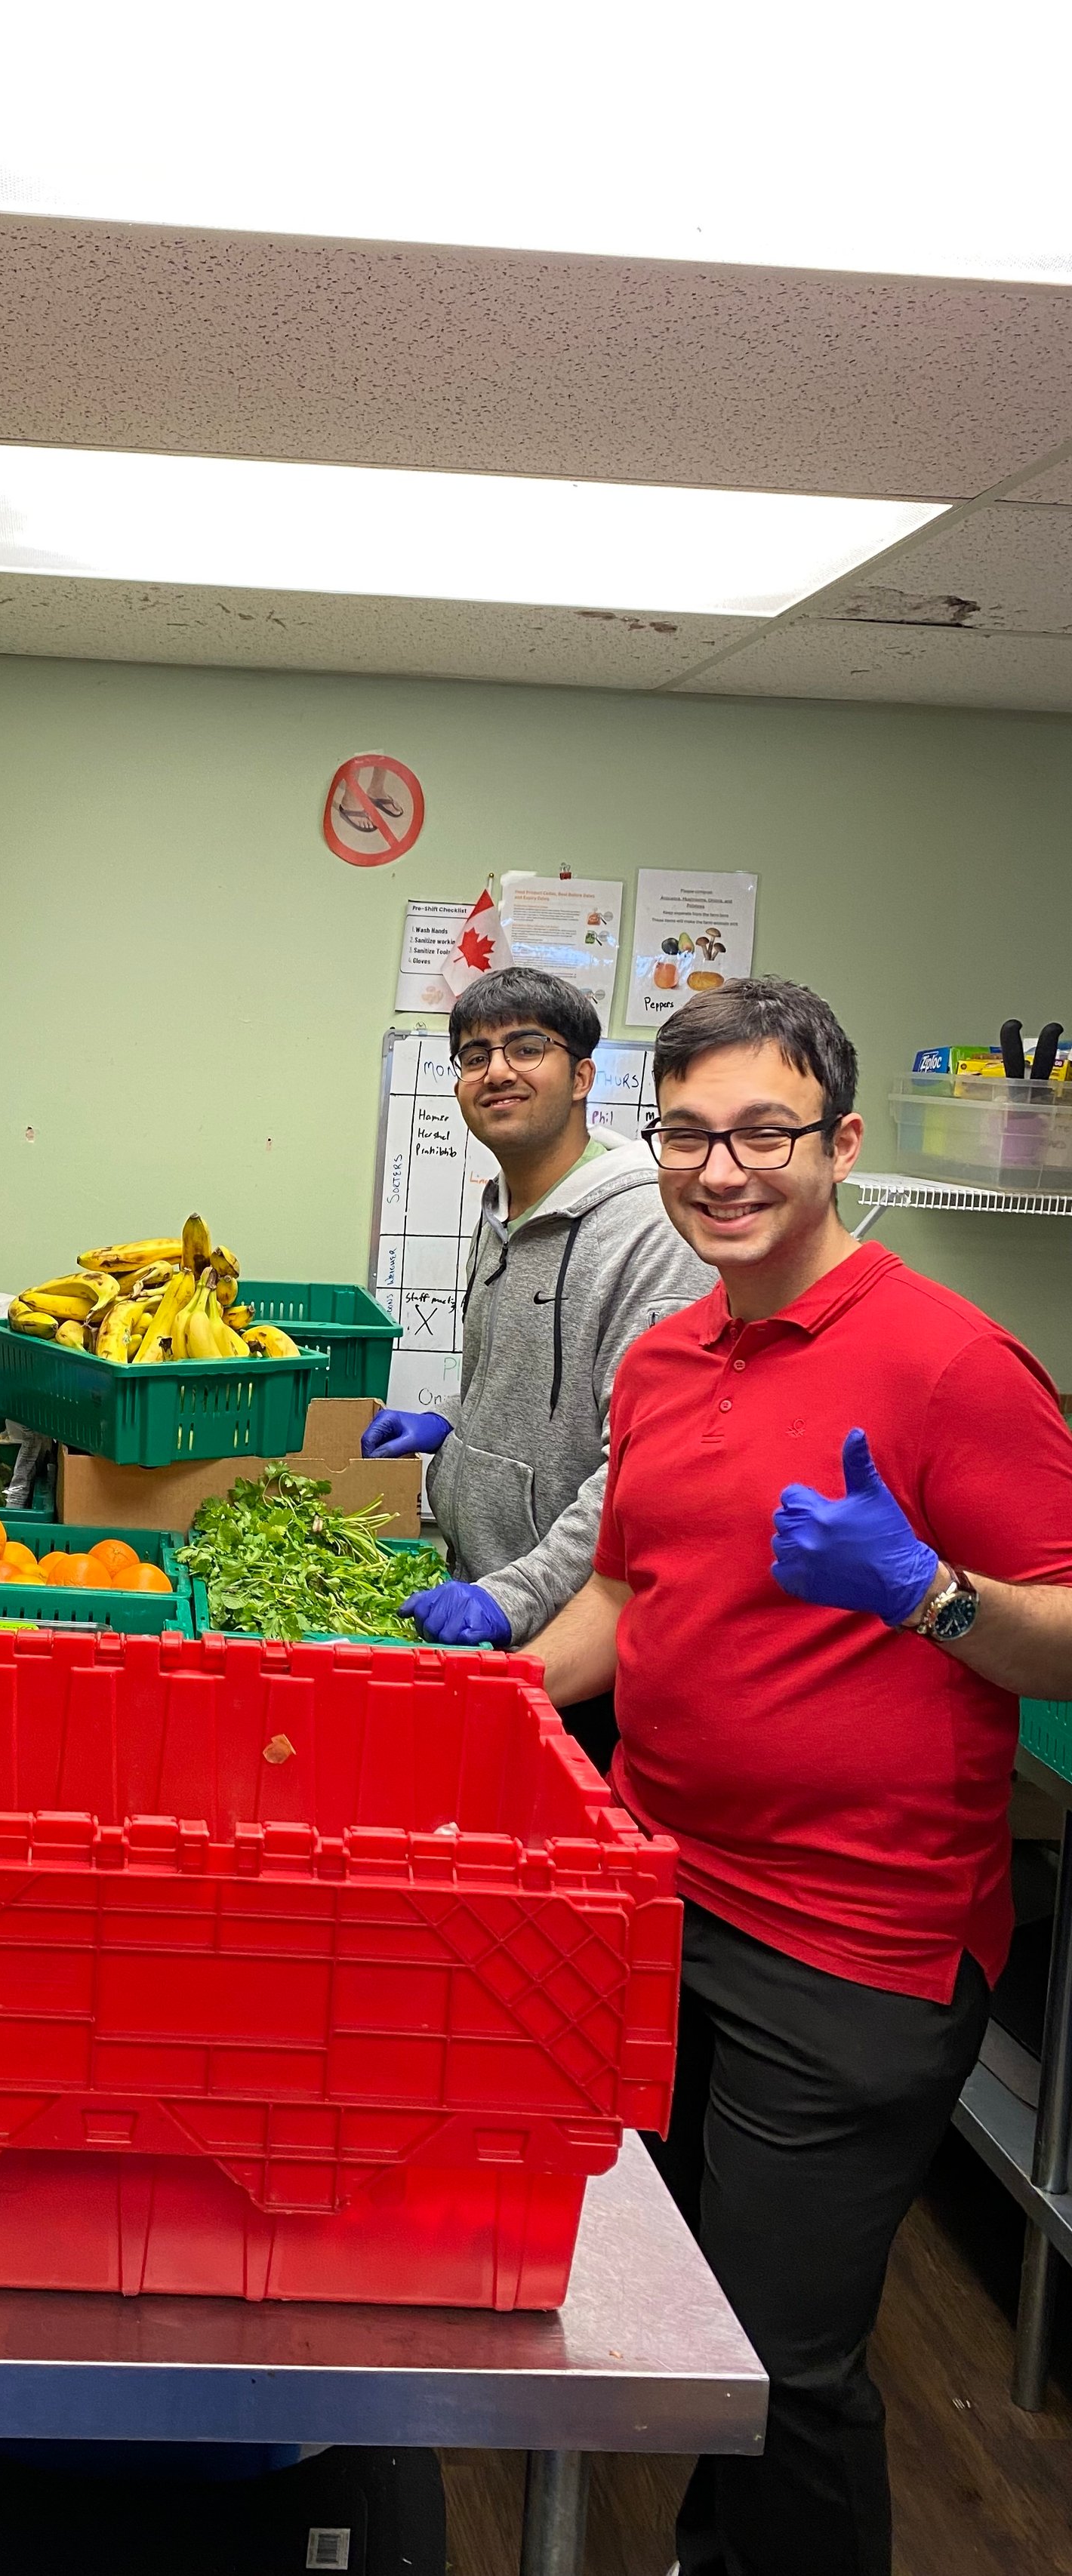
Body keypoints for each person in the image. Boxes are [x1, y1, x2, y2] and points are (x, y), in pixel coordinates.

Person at [528, 977, 1072, 2576]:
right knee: (686, 2306)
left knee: (783, 2366)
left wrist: (927, 1591)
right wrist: (492, 1692)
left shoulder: (952, 1362)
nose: (721, 1169)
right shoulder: (663, 1356)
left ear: (839, 1143)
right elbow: (624, 1593)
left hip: (853, 1942)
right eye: (688, 1133)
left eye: (764, 1131)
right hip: (659, 1894)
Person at [362, 965, 712, 1766]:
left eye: (526, 1047)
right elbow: (519, 1379)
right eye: (474, 1054)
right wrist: (447, 1419)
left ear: (582, 1076)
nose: (497, 1070)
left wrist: (509, 1598)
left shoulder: (650, 1233)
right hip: (487, 1598)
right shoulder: (502, 1210)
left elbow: (637, 1471)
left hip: (578, 1646)